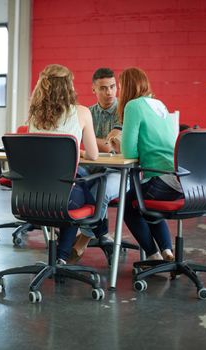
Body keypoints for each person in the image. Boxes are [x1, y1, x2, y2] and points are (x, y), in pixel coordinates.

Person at [27, 64, 99, 264]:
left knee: (78, 183)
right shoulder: (82, 113)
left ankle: (62, 256)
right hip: (64, 197)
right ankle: (63, 256)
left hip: (32, 196)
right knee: (86, 195)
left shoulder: (34, 116)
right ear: (68, 86)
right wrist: (78, 150)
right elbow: (93, 155)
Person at [119, 67, 183, 262]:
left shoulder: (133, 106)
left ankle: (153, 255)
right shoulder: (159, 104)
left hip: (159, 180)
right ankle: (167, 251)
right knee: (146, 203)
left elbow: (129, 152)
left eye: (120, 86)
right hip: (180, 180)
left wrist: (119, 142)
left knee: (129, 204)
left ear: (127, 86)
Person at [69, 68, 124, 262]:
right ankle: (93, 233)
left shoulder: (124, 110)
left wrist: (94, 140)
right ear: (94, 89)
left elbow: (115, 147)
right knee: (73, 179)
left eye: (112, 87)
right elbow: (107, 144)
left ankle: (82, 240)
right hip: (93, 167)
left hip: (121, 172)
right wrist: (106, 143)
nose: (109, 92)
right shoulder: (88, 112)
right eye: (103, 88)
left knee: (101, 189)